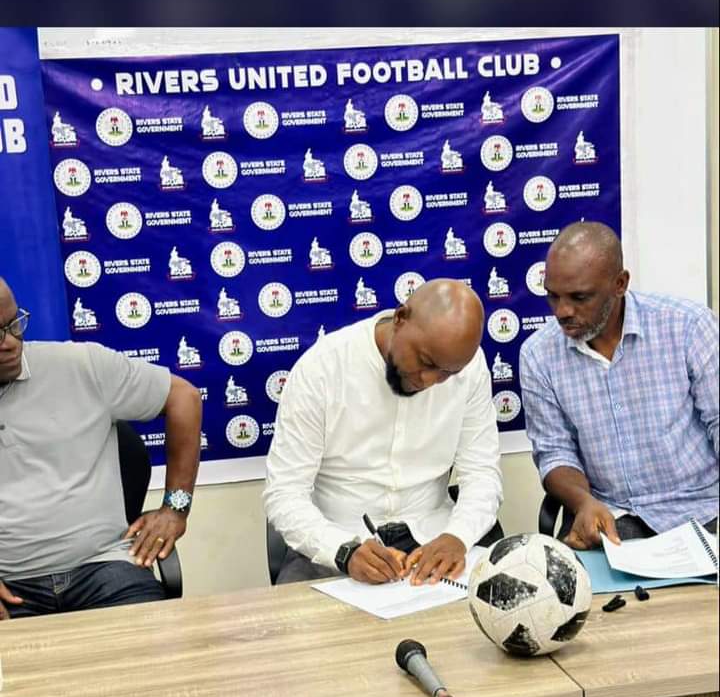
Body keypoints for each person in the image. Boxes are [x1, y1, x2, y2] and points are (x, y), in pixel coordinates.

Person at [264, 278, 503, 585]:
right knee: (296, 615)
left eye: (447, 373)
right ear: (400, 318)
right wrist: (342, 551)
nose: (430, 380)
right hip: (337, 542)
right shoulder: (322, 369)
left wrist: (458, 536)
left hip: (434, 538)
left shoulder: (470, 368)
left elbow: (482, 473)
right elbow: (285, 493)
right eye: (425, 362)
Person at [0, 276, 202, 619]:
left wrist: (175, 509)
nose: (11, 343)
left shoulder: (81, 365)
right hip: (10, 583)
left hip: (105, 567)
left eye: (14, 324)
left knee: (160, 645)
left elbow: (184, 397)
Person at [519, 221, 719, 550]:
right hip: (610, 516)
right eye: (553, 296)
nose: (563, 311)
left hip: (701, 511)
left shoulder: (689, 327)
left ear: (620, 284)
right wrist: (583, 502)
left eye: (579, 297)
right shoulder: (538, 355)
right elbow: (554, 453)